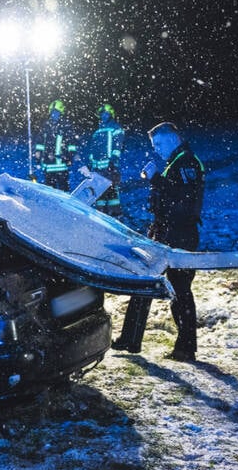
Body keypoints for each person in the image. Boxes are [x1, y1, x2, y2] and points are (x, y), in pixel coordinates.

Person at [111, 122, 205, 361]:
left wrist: (156, 179)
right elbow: (172, 197)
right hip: (166, 234)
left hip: (178, 236)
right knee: (145, 283)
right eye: (155, 146)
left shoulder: (187, 162)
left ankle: (185, 347)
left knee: (180, 291)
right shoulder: (177, 162)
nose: (157, 150)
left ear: (173, 138)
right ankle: (130, 339)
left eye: (160, 144)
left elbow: (182, 200)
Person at [79, 103, 124, 217]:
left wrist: (113, 161)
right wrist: (89, 165)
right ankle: (101, 217)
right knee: (99, 195)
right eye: (102, 114)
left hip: (110, 168)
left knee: (112, 194)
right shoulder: (97, 131)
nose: (104, 116)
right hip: (98, 169)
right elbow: (93, 150)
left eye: (106, 113)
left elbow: (118, 146)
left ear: (111, 114)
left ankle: (115, 217)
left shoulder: (116, 128)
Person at [32, 99, 77, 191]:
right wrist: (38, 156)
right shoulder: (46, 126)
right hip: (48, 166)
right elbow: (40, 144)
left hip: (62, 164)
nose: (54, 114)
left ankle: (65, 205)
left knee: (64, 191)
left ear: (61, 113)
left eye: (56, 112)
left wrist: (70, 156)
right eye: (52, 112)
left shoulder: (65, 126)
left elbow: (71, 144)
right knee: (50, 193)